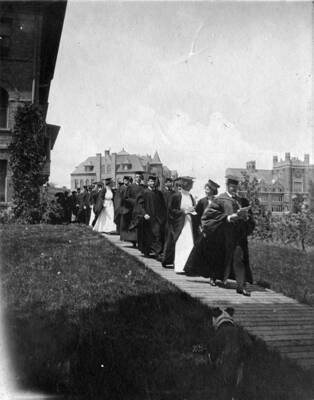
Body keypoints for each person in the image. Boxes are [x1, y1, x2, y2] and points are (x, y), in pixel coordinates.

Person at [198, 175, 255, 296]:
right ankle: (214, 277)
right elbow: (208, 217)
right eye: (231, 186)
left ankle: (241, 286)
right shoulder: (219, 200)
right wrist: (229, 218)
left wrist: (246, 217)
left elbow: (251, 220)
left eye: (235, 187)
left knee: (239, 259)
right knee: (218, 257)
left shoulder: (242, 201)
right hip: (222, 236)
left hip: (238, 236)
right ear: (227, 186)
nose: (234, 189)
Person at [184, 179, 221, 283]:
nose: (206, 190)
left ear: (213, 190)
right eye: (205, 188)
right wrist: (198, 225)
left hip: (215, 232)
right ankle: (196, 271)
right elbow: (197, 214)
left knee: (214, 254)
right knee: (200, 251)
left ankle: (213, 277)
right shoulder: (202, 201)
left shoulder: (218, 202)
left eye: (208, 188)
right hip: (204, 231)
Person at [162, 176, 199, 272]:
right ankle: (179, 266)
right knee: (181, 243)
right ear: (183, 185)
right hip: (179, 223)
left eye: (191, 184)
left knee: (189, 243)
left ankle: (187, 267)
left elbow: (193, 207)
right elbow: (171, 211)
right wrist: (184, 212)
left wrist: (193, 210)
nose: (190, 186)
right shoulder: (176, 196)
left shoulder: (190, 196)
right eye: (189, 184)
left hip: (189, 223)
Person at [136, 175, 167, 258]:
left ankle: (158, 252)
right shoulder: (144, 192)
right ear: (147, 182)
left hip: (157, 218)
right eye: (150, 181)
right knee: (148, 235)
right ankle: (147, 251)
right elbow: (140, 205)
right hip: (148, 217)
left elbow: (163, 206)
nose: (152, 183)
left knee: (157, 234)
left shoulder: (159, 193)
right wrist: (144, 213)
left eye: (153, 181)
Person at [120, 172, 145, 247]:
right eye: (137, 177)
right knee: (133, 223)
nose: (138, 178)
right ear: (135, 178)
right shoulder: (131, 187)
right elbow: (126, 197)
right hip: (132, 208)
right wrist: (133, 201)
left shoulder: (143, 187)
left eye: (140, 177)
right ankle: (133, 240)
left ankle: (139, 240)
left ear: (141, 178)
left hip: (141, 208)